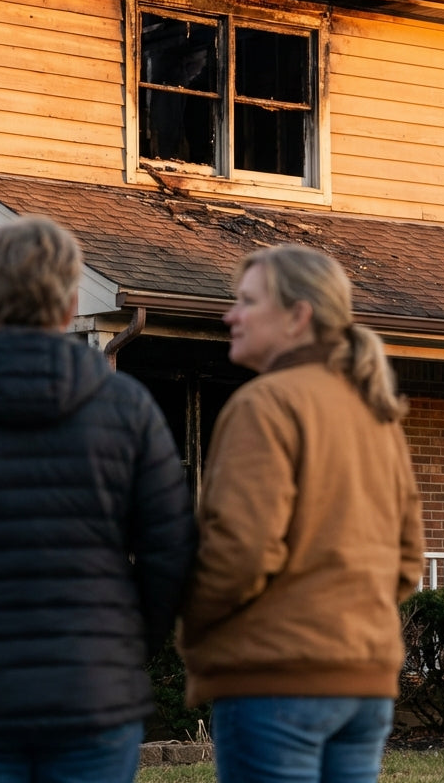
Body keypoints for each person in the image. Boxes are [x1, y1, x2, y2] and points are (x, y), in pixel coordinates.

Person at [0, 215, 196, 783]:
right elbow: (171, 552)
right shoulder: (129, 410)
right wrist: (129, 645)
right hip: (95, 693)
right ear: (70, 304)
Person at [178, 244, 424, 783]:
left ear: (298, 316)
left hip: (276, 678)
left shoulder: (264, 405)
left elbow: (240, 552)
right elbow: (407, 563)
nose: (229, 316)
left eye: (246, 301)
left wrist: (190, 622)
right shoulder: (376, 413)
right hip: (364, 680)